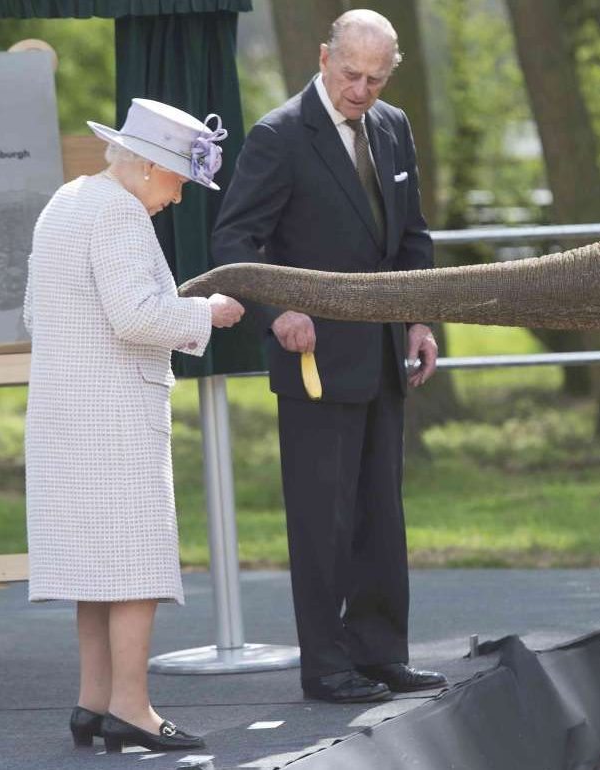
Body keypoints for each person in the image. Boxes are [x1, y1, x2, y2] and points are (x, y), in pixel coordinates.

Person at [211, 9, 445, 704]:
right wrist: (278, 309)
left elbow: (411, 238)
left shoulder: (394, 127)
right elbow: (234, 242)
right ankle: (327, 666)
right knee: (323, 520)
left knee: (381, 512)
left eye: (375, 78)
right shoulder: (279, 136)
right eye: (351, 74)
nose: (361, 90)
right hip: (312, 362)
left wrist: (418, 321)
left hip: (381, 356)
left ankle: (380, 653)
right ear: (323, 58)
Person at [24, 98, 244, 752]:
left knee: (95, 565)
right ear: (148, 166)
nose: (178, 197)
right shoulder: (120, 211)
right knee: (135, 566)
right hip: (115, 413)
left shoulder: (67, 199)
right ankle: (131, 707)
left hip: (66, 410)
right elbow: (137, 317)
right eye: (179, 179)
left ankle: (93, 702)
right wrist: (209, 313)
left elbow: (36, 313)